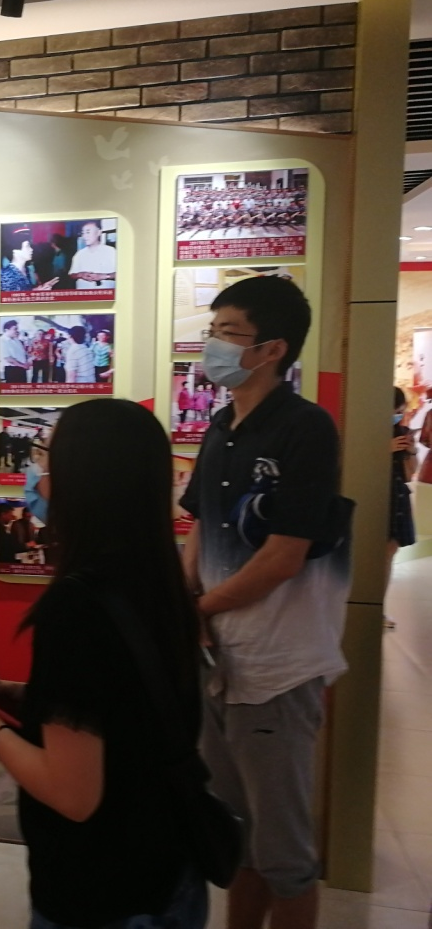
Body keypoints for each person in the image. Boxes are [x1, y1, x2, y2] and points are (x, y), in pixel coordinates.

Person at [0, 399, 209, 929]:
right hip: (169, 867)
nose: (36, 473)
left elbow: (73, 794)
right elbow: (125, 707)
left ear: (82, 481)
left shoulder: (77, 606)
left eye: (47, 456)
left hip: (99, 890)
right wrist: (33, 697)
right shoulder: (163, 584)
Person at [181, 276, 349, 929]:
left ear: (272, 349)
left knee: (284, 854)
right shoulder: (220, 425)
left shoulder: (305, 428)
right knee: (237, 837)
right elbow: (200, 523)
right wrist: (183, 596)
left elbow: (283, 556)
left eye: (228, 333)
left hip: (278, 665)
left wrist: (200, 609)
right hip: (220, 661)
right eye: (213, 331)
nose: (213, 345)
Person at [388, 386, 417, 628]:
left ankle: (379, 607)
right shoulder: (367, 432)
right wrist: (385, 449)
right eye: (395, 410)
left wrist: (411, 451)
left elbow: (409, 475)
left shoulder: (404, 432)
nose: (398, 415)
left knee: (389, 554)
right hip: (378, 496)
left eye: (400, 411)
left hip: (398, 495)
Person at [1, 230, 60, 294]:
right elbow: (10, 299)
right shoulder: (5, 274)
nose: (31, 249)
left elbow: (25, 291)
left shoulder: (26, 270)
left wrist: (38, 289)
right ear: (15, 251)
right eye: (27, 246)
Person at [69, 221, 117, 289]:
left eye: (88, 232)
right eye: (83, 233)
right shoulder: (79, 254)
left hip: (105, 293)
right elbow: (71, 274)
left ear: (99, 232)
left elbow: (122, 273)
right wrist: (81, 275)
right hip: (84, 293)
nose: (84, 236)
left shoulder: (111, 251)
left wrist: (104, 276)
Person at [0, 320, 30, 385]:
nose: (17, 331)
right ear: (6, 330)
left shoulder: (16, 340)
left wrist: (27, 362)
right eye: (15, 329)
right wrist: (23, 365)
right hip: (12, 370)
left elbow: (22, 353)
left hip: (22, 369)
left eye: (17, 329)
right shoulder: (2, 341)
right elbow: (8, 358)